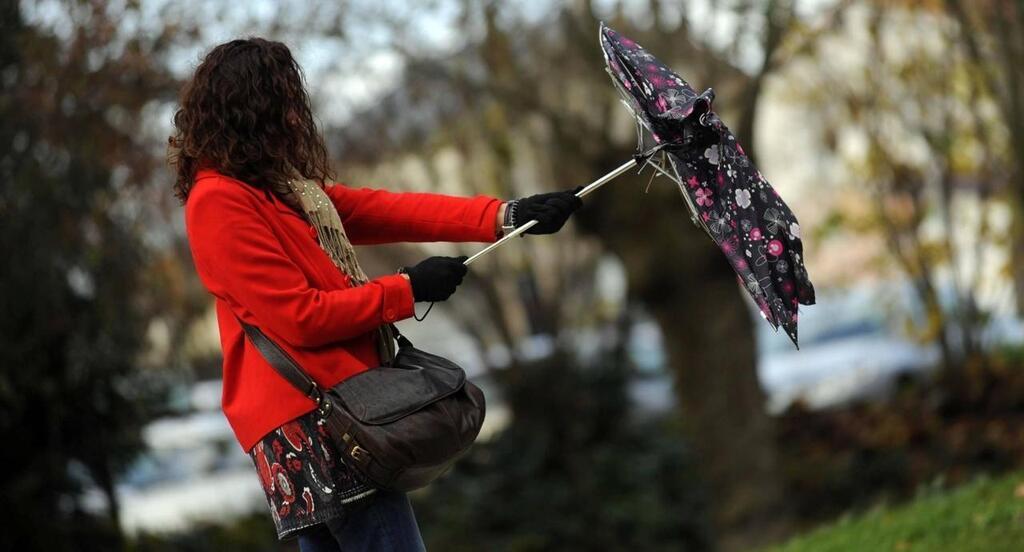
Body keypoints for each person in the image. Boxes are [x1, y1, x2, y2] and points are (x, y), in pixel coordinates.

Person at [170, 37, 581, 552]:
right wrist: (408, 288)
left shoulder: (282, 191)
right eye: (285, 103)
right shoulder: (219, 201)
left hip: (324, 412)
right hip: (313, 422)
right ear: (249, 110)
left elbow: (387, 208)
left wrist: (504, 215)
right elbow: (300, 317)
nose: (297, 118)